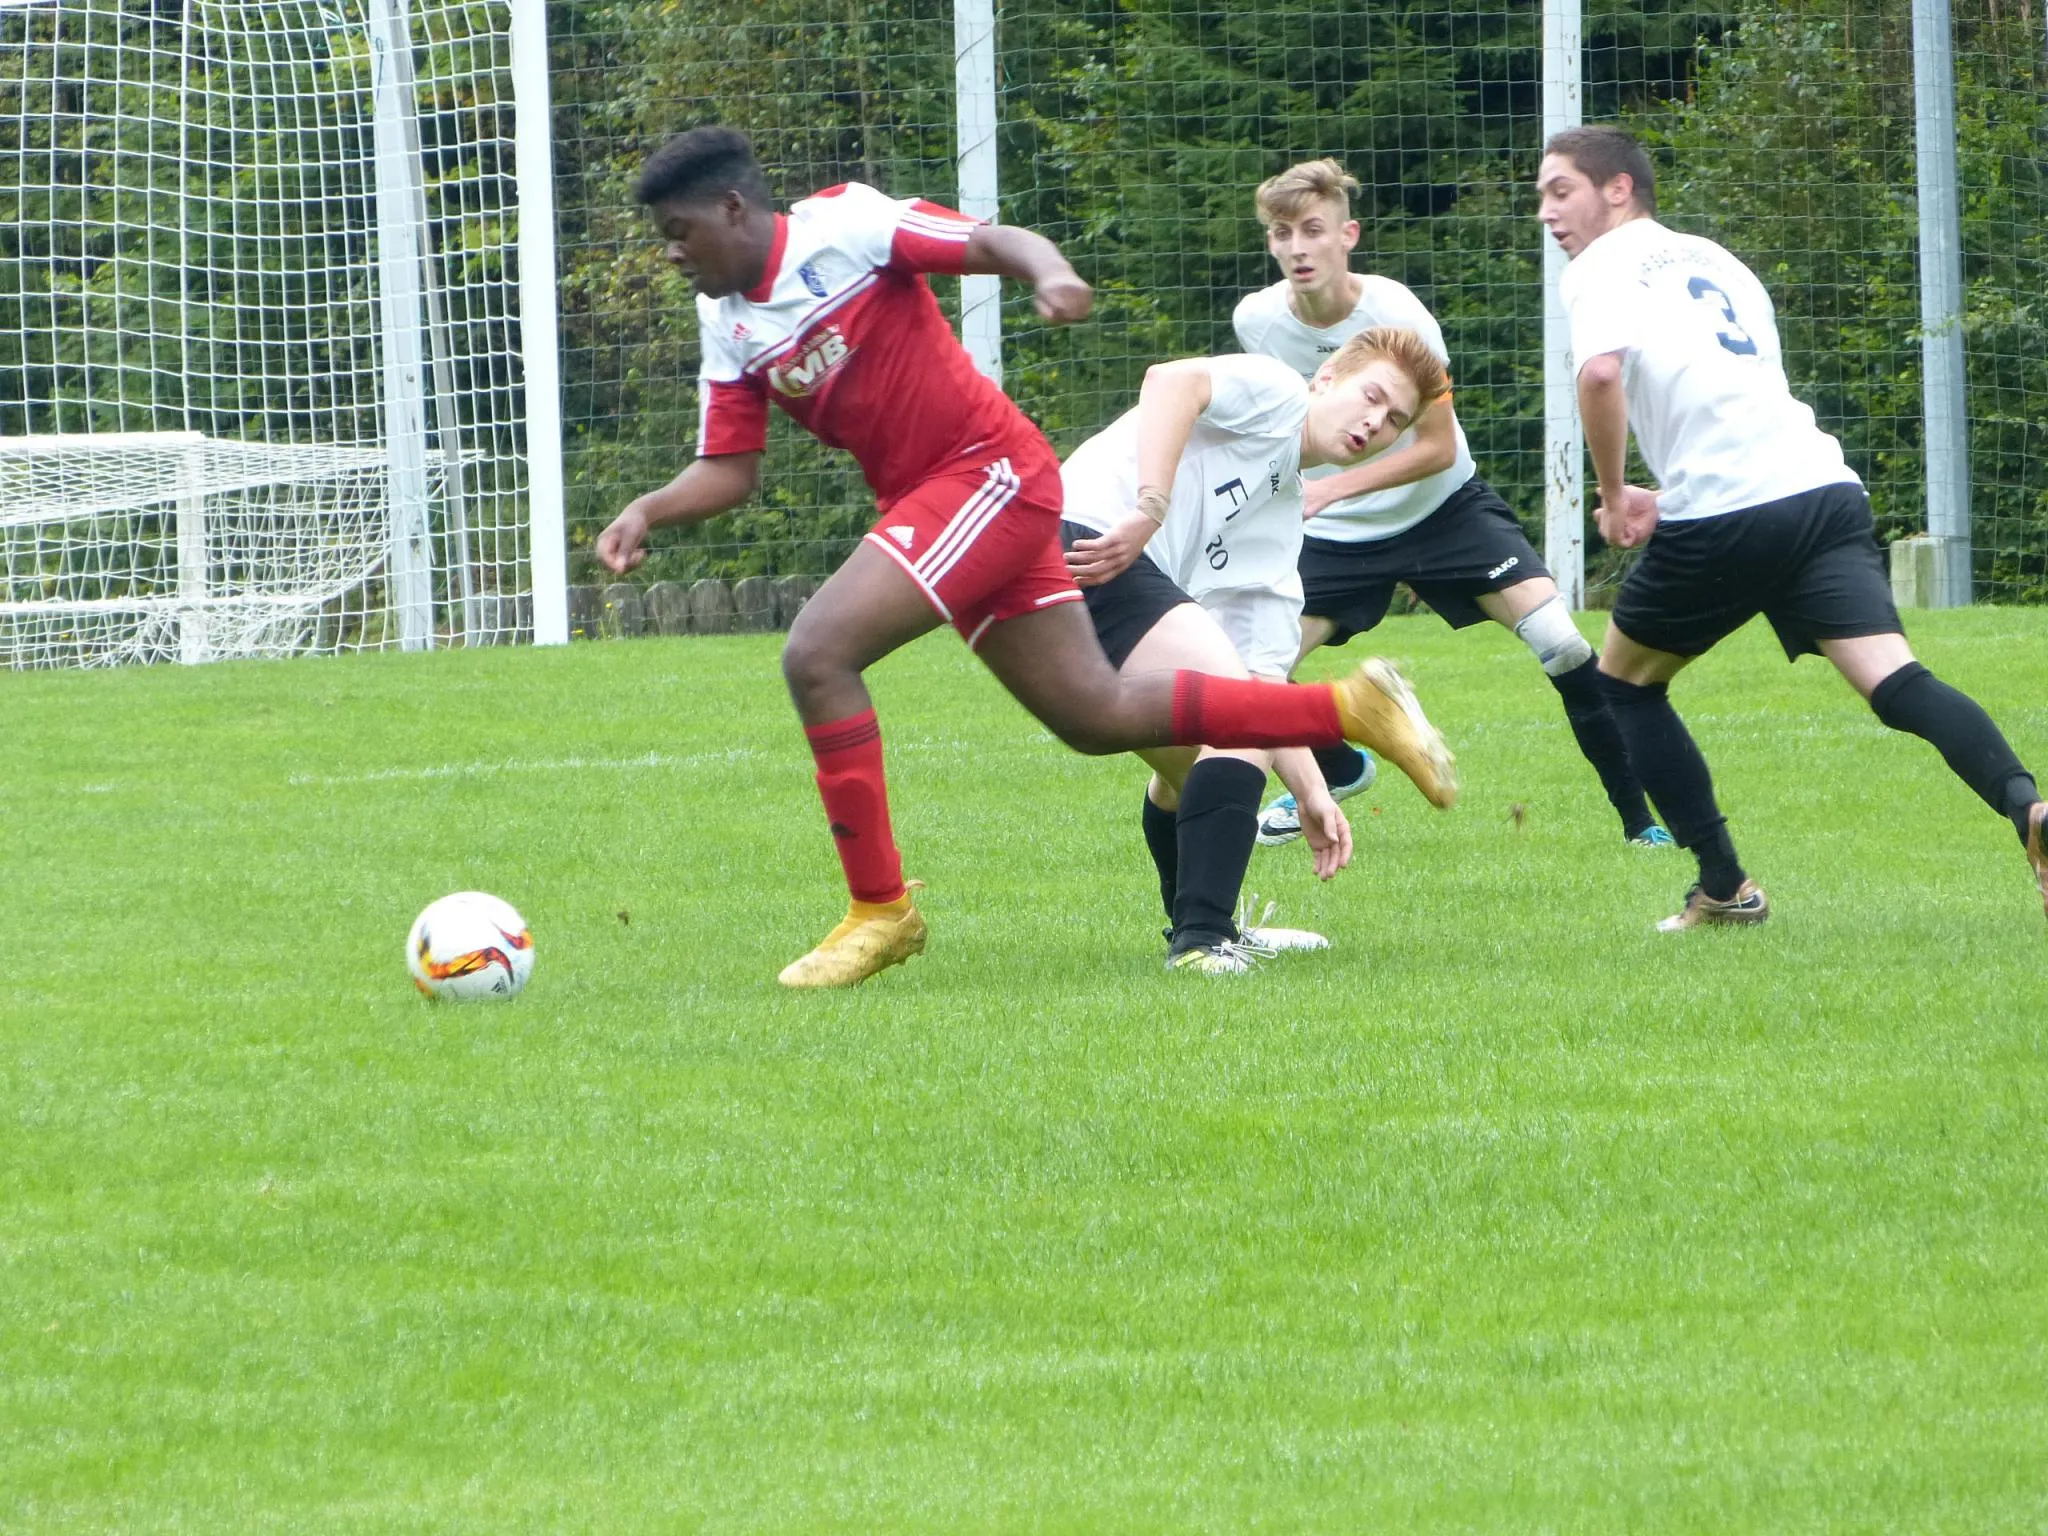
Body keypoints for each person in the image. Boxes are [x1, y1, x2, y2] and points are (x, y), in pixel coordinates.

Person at [596, 126, 1458, 987]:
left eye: (679, 232)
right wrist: (649, 508)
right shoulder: (727, 321)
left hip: (986, 474)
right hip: (974, 507)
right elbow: (730, 469)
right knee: (1095, 717)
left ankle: (883, 910)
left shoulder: (841, 225)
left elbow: (985, 241)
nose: (672, 253)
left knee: (818, 653)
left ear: (732, 208)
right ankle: (1343, 712)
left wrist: (1048, 272)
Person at [1538, 124, 2048, 930]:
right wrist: (1669, 487)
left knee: (1624, 687)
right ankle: (2028, 806)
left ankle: (1724, 886)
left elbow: (1601, 373)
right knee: (1898, 682)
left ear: (1619, 189)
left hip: (1729, 511)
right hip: (1820, 489)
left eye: (1560, 189)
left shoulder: (1600, 265)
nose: (1546, 211)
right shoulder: (1718, 260)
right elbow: (1732, 393)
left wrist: (1611, 492)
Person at [1232, 158, 1669, 851]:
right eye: (1282, 234)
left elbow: (1435, 447)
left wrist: (1331, 487)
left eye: (1312, 230)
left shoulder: (1399, 315)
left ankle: (1642, 825)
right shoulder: (1257, 321)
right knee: (1258, 672)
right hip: (1336, 533)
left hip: (1443, 511)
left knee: (1561, 644)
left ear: (1348, 235)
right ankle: (1341, 769)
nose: (1297, 248)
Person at [1062, 328, 1453, 973]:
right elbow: (1171, 380)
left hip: (1087, 578)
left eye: (1394, 422)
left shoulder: (1280, 520)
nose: (1374, 423)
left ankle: (1202, 928)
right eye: (1372, 396)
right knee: (1233, 719)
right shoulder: (1278, 393)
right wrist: (1151, 508)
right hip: (1082, 542)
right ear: (1327, 377)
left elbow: (1264, 677)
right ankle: (1203, 942)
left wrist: (1312, 791)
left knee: (1191, 765)